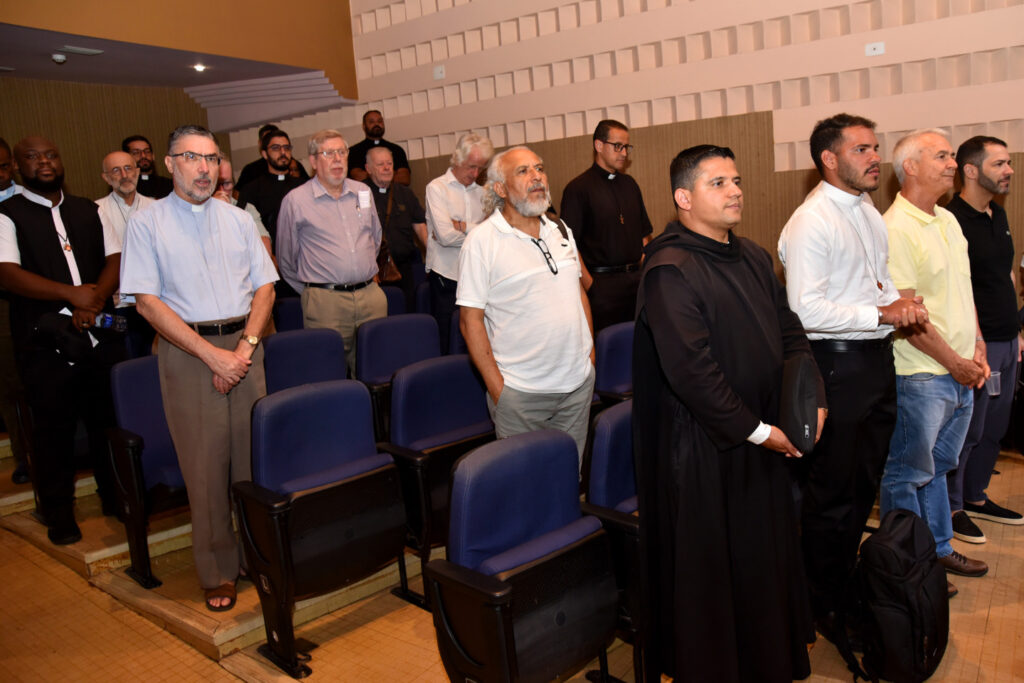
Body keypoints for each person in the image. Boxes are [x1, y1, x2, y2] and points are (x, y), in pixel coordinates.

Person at [633, 144, 823, 681]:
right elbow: (693, 373)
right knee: (716, 569)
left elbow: (790, 332)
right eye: (719, 183)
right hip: (704, 448)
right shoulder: (670, 268)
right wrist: (760, 432)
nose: (736, 190)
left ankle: (766, 659)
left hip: (764, 435)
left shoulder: (754, 256)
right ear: (684, 198)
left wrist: (812, 400)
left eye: (736, 180)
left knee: (761, 558)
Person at [778, 113, 929, 632]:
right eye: (862, 150)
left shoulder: (866, 207)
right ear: (829, 158)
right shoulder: (811, 221)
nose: (874, 159)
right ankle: (819, 607)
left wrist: (896, 301)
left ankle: (841, 586)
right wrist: (881, 314)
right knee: (832, 494)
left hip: (872, 361)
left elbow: (873, 283)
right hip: (834, 365)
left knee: (863, 484)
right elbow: (805, 309)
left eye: (875, 148)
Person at [120, 125, 277, 611]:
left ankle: (257, 557)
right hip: (187, 352)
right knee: (206, 467)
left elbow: (266, 287)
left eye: (211, 159)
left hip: (245, 347)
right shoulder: (147, 224)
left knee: (253, 462)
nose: (204, 168)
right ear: (169, 164)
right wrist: (212, 356)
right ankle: (218, 571)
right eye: (192, 158)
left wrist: (245, 347)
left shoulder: (237, 220)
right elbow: (146, 303)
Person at [0, 136, 124, 545]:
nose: (44, 162)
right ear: (18, 167)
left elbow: (114, 260)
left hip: (98, 333)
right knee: (53, 432)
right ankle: (58, 513)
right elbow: (7, 273)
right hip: (43, 342)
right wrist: (70, 295)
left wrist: (95, 298)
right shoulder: (7, 214)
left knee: (106, 421)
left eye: (51, 154)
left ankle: (114, 499)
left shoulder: (87, 208)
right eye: (33, 158)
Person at [881, 128, 989, 588]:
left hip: (959, 370)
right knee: (907, 475)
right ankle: (907, 567)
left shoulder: (947, 220)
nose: (952, 163)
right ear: (910, 167)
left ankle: (938, 551)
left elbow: (962, 291)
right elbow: (908, 316)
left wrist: (978, 344)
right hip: (923, 375)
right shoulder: (894, 229)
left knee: (939, 469)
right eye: (941, 156)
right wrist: (955, 362)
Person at [457, 146, 595, 461]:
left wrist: (589, 357)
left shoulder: (560, 230)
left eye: (539, 168)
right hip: (522, 395)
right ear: (500, 189)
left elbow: (579, 294)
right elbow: (470, 322)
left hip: (576, 386)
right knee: (528, 488)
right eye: (523, 171)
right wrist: (500, 391)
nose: (537, 177)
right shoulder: (481, 242)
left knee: (567, 480)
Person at [945, 135, 1022, 543]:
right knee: (967, 431)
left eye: (1009, 163)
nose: (1008, 170)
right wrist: (976, 342)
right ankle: (953, 505)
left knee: (995, 427)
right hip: (979, 344)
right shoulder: (950, 221)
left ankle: (975, 495)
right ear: (970, 170)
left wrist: (1017, 333)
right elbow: (955, 289)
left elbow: (1004, 276)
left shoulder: (998, 214)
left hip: (1008, 341)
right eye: (999, 164)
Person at [277, 129, 386, 373]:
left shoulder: (363, 192)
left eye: (342, 152)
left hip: (370, 296)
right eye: (328, 153)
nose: (338, 159)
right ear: (314, 161)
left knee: (376, 370)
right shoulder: (296, 201)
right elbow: (286, 259)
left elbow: (375, 238)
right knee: (329, 371)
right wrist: (315, 291)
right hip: (326, 302)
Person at [560, 119, 653, 331]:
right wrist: (591, 286)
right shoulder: (578, 189)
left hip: (636, 283)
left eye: (626, 147)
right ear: (599, 146)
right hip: (601, 287)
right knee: (609, 352)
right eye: (617, 146)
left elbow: (644, 234)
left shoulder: (630, 185)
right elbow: (568, 245)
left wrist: (644, 270)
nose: (624, 153)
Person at [424, 133, 494, 351]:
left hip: (475, 275)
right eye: (471, 167)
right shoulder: (437, 188)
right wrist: (477, 227)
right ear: (457, 159)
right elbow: (445, 237)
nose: (475, 174)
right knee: (448, 340)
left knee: (475, 340)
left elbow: (490, 236)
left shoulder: (483, 193)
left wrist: (463, 226)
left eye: (480, 169)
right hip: (446, 275)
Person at [96, 151, 156, 358]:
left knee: (154, 357)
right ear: (105, 177)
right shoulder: (96, 210)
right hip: (117, 304)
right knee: (126, 357)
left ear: (137, 172)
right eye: (116, 170)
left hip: (154, 298)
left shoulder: (156, 207)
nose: (124, 175)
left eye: (128, 168)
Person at [364, 146, 426, 312]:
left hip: (403, 269)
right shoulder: (359, 193)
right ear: (368, 168)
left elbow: (421, 227)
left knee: (407, 312)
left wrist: (434, 256)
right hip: (372, 273)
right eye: (380, 164)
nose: (386, 168)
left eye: (389, 163)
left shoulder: (406, 194)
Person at [0, 137, 29, 485]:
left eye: (5, 166)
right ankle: (25, 456)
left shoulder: (28, 199)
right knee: (11, 385)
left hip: (42, 301)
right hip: (4, 305)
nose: (2, 174)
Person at [347, 110, 411, 185]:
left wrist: (370, 175)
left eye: (380, 121)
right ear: (364, 126)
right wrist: (390, 174)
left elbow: (404, 179)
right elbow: (357, 177)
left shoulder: (397, 150)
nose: (376, 124)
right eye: (371, 122)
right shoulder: (354, 151)